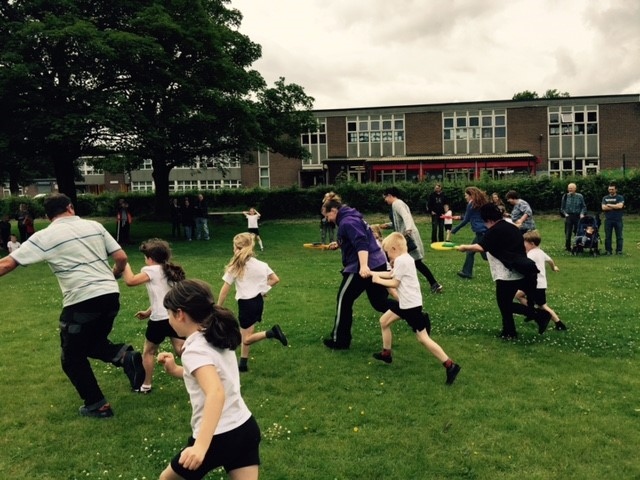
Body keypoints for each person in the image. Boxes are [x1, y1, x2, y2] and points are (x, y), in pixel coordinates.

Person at [0, 193, 144, 418]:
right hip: (110, 295)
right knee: (90, 343)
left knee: (71, 357)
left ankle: (98, 405)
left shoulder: (45, 236)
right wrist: (113, 275)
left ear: (48, 216)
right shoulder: (94, 226)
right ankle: (124, 357)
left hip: (82, 299)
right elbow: (122, 257)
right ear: (70, 207)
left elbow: (7, 263)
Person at [158, 279, 261, 480]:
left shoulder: (194, 349)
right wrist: (175, 369)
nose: (168, 319)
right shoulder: (216, 335)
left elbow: (215, 392)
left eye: (169, 314)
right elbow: (211, 375)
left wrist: (200, 446)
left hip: (218, 436)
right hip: (245, 428)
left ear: (180, 314)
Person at [371, 233, 461, 385]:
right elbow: (391, 273)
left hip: (410, 306)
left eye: (388, 252)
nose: (387, 256)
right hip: (405, 304)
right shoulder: (405, 258)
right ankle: (386, 353)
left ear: (394, 248)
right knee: (384, 321)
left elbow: (394, 283)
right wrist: (373, 273)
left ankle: (450, 365)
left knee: (423, 339)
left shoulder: (400, 260)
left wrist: (378, 280)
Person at [456, 203, 551, 340]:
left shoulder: (495, 230)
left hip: (506, 274)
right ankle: (510, 331)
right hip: (520, 271)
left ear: (488, 219)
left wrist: (465, 247)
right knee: (505, 305)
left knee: (504, 305)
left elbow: (482, 247)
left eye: (484, 221)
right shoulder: (510, 227)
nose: (484, 224)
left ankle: (537, 316)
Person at [322, 194, 391, 349]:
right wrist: (339, 244)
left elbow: (361, 242)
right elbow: (355, 237)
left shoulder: (347, 221)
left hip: (362, 266)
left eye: (327, 215)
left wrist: (364, 266)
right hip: (376, 262)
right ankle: (417, 316)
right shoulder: (349, 217)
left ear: (334, 210)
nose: (327, 219)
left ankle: (340, 341)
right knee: (380, 303)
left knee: (344, 299)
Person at [123, 238, 187, 393]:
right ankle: (199, 374)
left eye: (145, 257)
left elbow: (130, 281)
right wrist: (148, 311)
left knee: (149, 351)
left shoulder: (151, 270)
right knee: (181, 349)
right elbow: (164, 296)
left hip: (159, 320)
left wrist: (123, 263)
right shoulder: (171, 271)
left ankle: (146, 385)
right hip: (175, 317)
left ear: (150, 259)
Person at [217, 232, 287, 372]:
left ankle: (271, 333)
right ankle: (243, 363)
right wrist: (262, 290)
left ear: (237, 248)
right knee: (247, 334)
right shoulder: (261, 264)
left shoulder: (236, 266)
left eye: (233, 246)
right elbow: (275, 279)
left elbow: (225, 289)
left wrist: (218, 306)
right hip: (258, 302)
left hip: (246, 304)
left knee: (246, 338)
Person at [380, 186, 443, 294]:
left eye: (385, 197)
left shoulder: (397, 204)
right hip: (404, 237)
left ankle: (387, 285)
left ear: (390, 195)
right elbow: (400, 221)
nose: (385, 200)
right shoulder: (398, 204)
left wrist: (408, 231)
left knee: (397, 259)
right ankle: (433, 284)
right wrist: (388, 225)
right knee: (413, 262)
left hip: (407, 238)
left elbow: (406, 217)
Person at [515, 230, 566, 331]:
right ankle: (532, 313)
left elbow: (524, 265)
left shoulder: (531, 254)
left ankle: (558, 323)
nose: (523, 245)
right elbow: (550, 260)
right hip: (536, 284)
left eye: (524, 243)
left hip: (536, 284)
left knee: (542, 306)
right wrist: (553, 267)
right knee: (518, 295)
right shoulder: (540, 252)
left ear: (532, 244)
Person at [451, 186, 489, 279]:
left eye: (466, 195)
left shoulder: (471, 204)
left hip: (481, 232)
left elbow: (466, 220)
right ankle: (467, 273)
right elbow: (472, 216)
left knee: (487, 256)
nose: (465, 197)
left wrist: (455, 230)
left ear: (471, 195)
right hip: (483, 231)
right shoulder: (480, 203)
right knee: (471, 252)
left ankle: (510, 265)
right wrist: (460, 217)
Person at [560, 183, 587, 252]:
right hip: (569, 216)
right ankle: (568, 247)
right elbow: (562, 208)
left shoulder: (580, 196)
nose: (570, 190)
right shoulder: (565, 196)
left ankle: (578, 246)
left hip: (578, 216)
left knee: (578, 232)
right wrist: (565, 214)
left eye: (571, 188)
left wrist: (582, 214)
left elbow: (583, 207)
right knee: (568, 232)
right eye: (569, 188)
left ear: (575, 189)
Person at [601, 182, 624, 255]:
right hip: (608, 220)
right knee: (608, 236)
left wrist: (609, 205)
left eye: (612, 189)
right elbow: (603, 207)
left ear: (616, 190)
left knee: (619, 236)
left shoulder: (620, 197)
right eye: (609, 189)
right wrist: (615, 206)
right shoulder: (605, 198)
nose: (610, 191)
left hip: (618, 219)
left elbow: (620, 206)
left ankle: (619, 251)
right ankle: (608, 251)